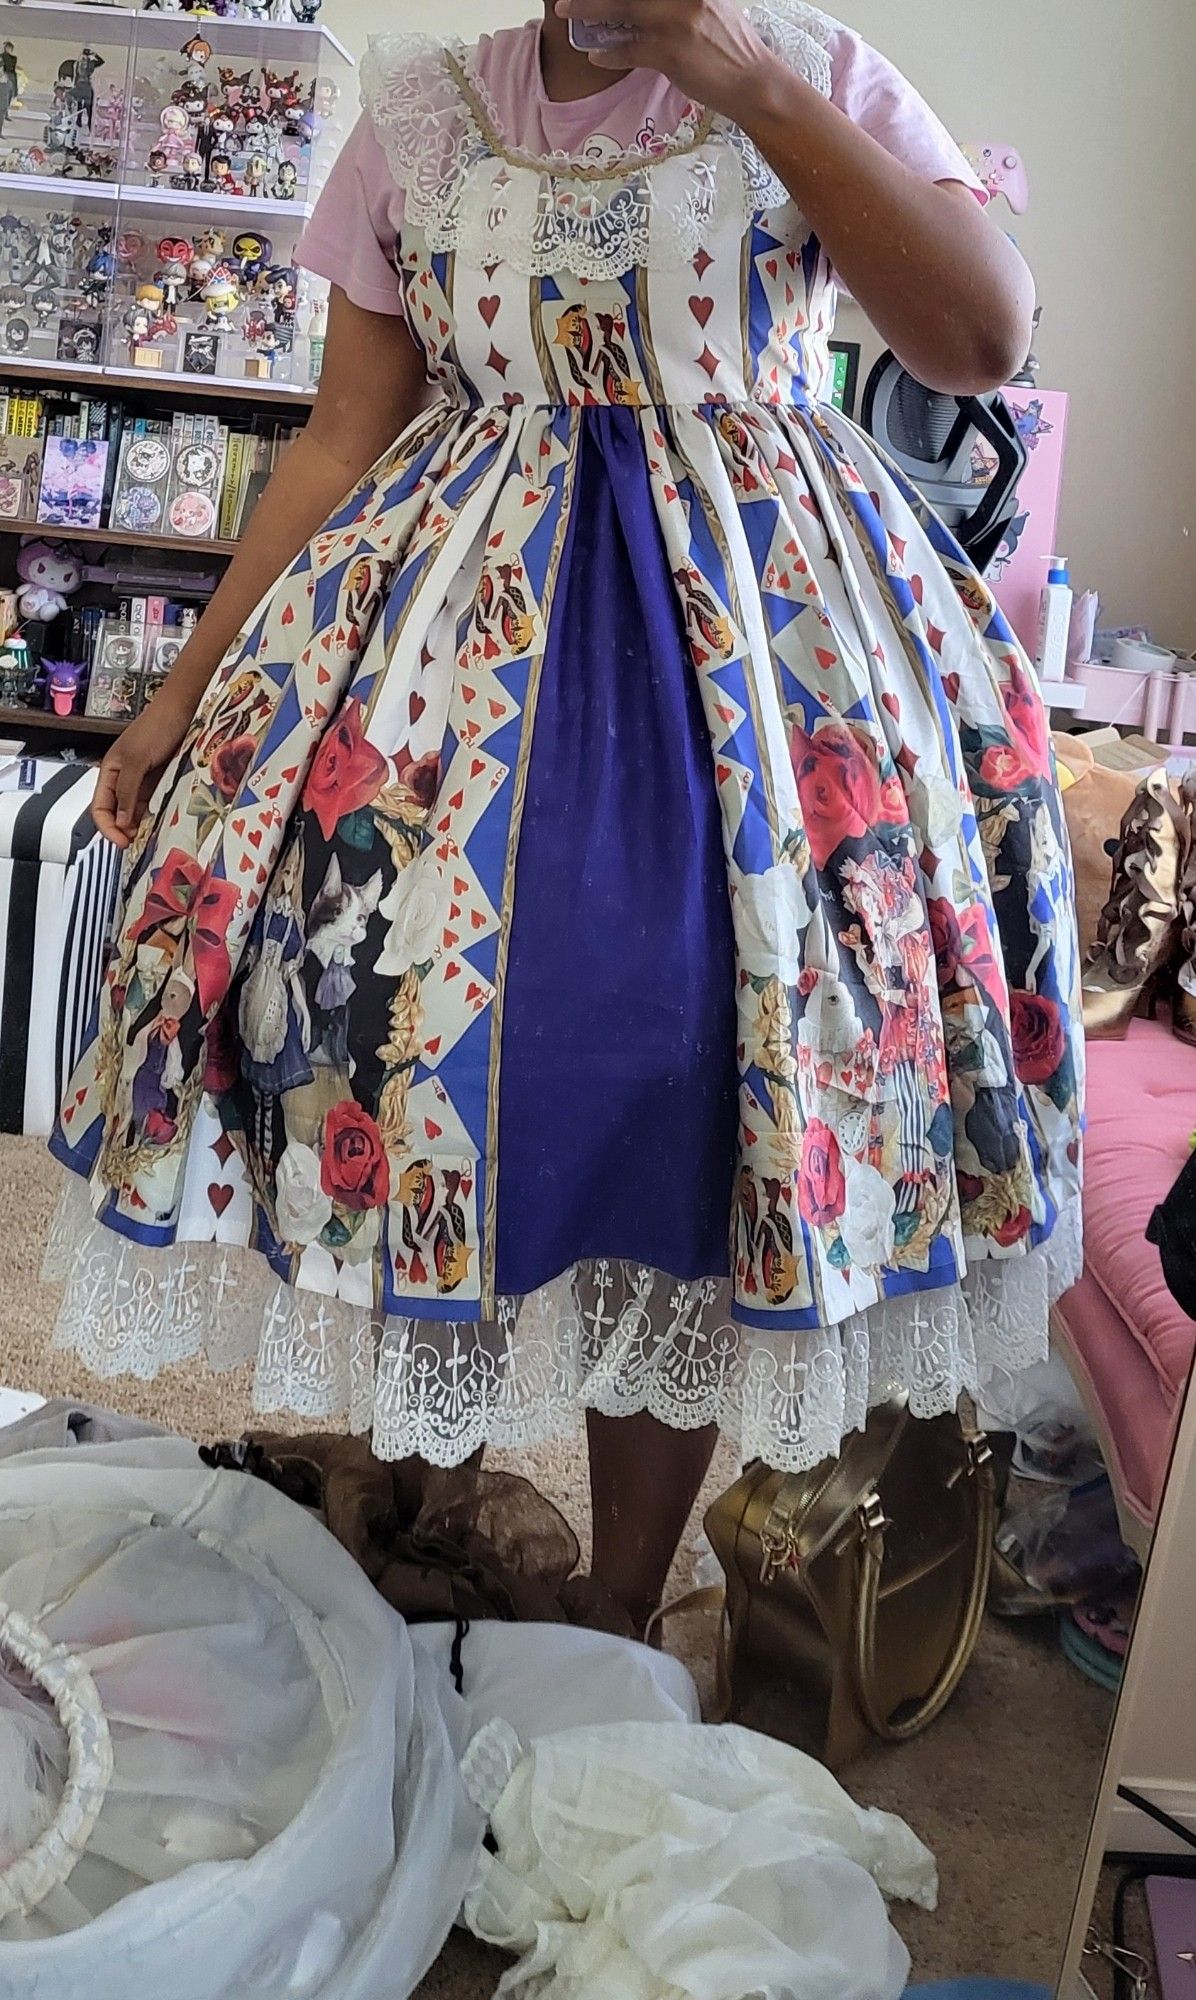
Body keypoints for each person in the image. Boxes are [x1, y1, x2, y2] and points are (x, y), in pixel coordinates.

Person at [51, 0, 1082, 1635]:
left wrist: (736, 78)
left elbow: (980, 338)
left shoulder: (809, 71)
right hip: (456, 669)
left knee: (692, 1086)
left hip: (749, 677)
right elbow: (338, 439)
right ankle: (433, 1501)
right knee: (403, 1052)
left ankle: (617, 1595)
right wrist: (177, 701)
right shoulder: (422, 112)